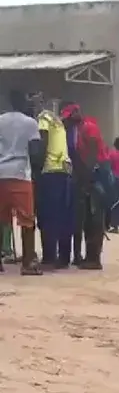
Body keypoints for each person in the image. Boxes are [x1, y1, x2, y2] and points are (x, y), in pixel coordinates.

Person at [59, 102, 112, 270]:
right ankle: (89, 256)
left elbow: (93, 154)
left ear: (76, 113)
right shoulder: (78, 128)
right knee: (88, 216)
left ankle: (94, 258)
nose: (68, 122)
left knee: (95, 216)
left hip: (97, 173)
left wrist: (87, 179)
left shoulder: (89, 127)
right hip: (89, 173)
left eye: (69, 117)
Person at [0, 89, 44, 275]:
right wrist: (37, 173)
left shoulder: (0, 120)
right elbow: (35, 151)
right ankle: (28, 263)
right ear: (24, 101)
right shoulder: (30, 123)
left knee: (1, 219)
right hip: (20, 175)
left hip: (1, 174)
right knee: (27, 220)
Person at [35, 103, 73, 268]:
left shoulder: (43, 118)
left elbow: (43, 143)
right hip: (63, 171)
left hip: (49, 171)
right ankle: (64, 257)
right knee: (62, 215)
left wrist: (36, 169)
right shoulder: (58, 121)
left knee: (47, 215)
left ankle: (49, 258)